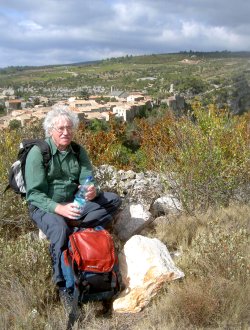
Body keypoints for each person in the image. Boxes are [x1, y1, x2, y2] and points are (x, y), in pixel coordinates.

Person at [25, 104, 121, 310]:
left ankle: (75, 224)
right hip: (46, 206)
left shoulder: (77, 151)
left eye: (69, 128)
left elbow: (88, 179)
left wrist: (92, 190)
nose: (66, 132)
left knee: (113, 200)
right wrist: (59, 209)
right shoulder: (38, 153)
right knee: (60, 230)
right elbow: (33, 194)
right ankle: (62, 285)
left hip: (75, 203)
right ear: (51, 130)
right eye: (60, 129)